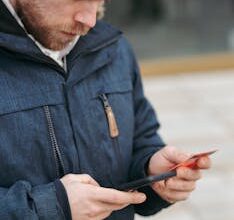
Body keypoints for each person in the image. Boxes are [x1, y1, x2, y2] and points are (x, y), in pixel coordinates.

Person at [0, 0, 211, 219]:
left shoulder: (113, 46)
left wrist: (150, 171)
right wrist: (52, 206)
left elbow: (141, 138)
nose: (90, 20)